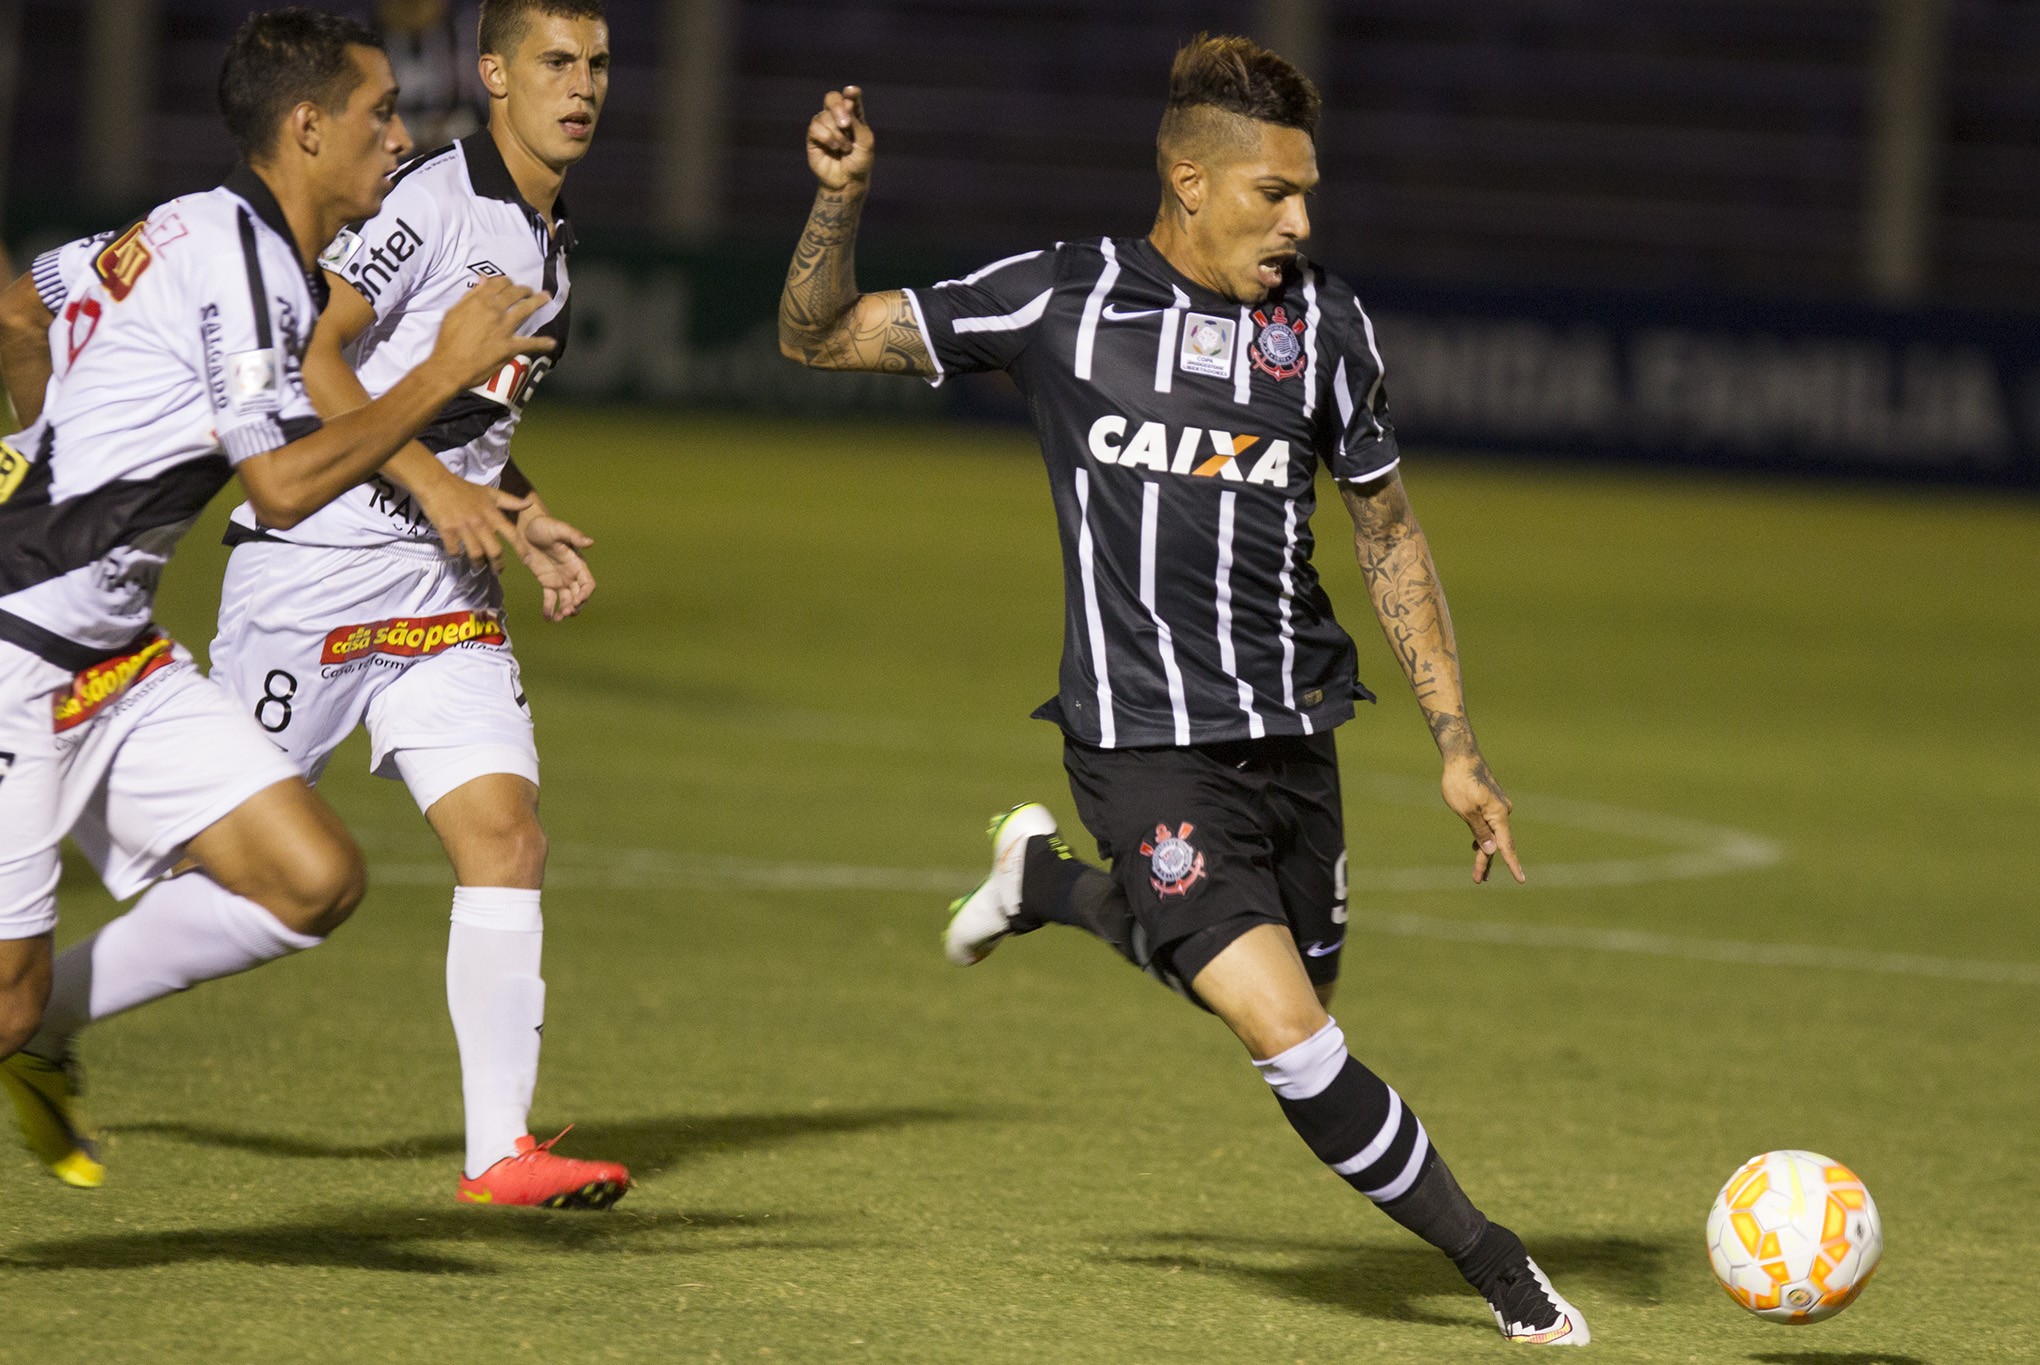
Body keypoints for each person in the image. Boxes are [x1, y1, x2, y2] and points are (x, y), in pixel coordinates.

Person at [778, 35, 1590, 1347]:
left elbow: (1386, 530)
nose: (1302, 219)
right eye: (1275, 191)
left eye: (1308, 190)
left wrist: (1458, 746)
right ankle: (1502, 1269)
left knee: (1293, 987)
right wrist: (839, 197)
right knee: (1289, 1037)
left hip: (1297, 740)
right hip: (1141, 747)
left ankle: (1044, 887)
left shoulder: (1324, 323)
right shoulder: (1061, 298)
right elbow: (814, 337)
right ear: (1189, 180)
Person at [10, 0, 628, 1211]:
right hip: (189, 608)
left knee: (392, 862)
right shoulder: (297, 255)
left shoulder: (212, 234)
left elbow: (26, 300)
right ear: (309, 128)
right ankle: (43, 1024)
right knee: (37, 983)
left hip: (249, 622)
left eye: (600, 65)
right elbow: (296, 463)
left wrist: (508, 497)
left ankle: (498, 1151)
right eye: (380, 113)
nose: (400, 138)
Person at [375, 0, 486, 148]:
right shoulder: (361, 47)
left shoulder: (471, 35)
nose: (414, 6)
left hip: (463, 156)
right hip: (392, 162)